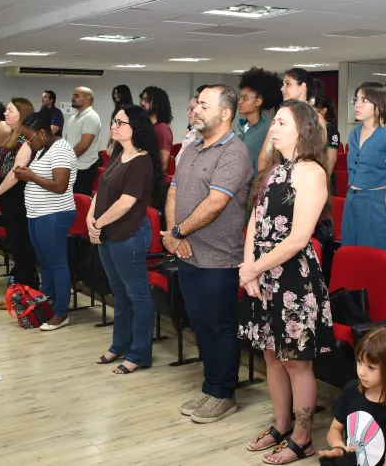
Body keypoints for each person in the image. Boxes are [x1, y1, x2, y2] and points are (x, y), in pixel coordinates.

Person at [239, 100, 334, 464]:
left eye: (281, 123)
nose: (273, 128)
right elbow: (254, 222)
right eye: (274, 122)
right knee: (271, 354)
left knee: (296, 361)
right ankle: (281, 425)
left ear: (302, 129)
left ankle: (302, 437)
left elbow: (298, 239)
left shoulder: (311, 172)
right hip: (263, 272)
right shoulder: (274, 169)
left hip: (294, 277)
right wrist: (249, 266)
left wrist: (253, 269)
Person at [164, 84, 252, 424]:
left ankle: (224, 394)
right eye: (197, 104)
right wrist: (172, 236)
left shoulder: (234, 152)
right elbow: (173, 193)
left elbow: (215, 204)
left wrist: (177, 233)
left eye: (204, 105)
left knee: (220, 327)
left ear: (226, 113)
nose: (196, 110)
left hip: (219, 259)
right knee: (200, 325)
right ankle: (210, 385)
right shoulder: (192, 147)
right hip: (187, 253)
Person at [90, 106, 162, 373]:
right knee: (119, 293)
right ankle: (119, 344)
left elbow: (126, 203)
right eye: (114, 121)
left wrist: (97, 224)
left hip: (128, 234)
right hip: (107, 232)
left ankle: (139, 353)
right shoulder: (118, 154)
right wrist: (90, 219)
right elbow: (100, 192)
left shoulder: (142, 161)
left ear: (136, 128)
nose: (114, 125)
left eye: (121, 122)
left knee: (137, 294)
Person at [15, 110, 78, 331]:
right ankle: (48, 304)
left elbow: (60, 186)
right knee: (46, 264)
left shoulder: (61, 149)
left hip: (54, 214)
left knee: (57, 264)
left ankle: (61, 312)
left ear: (41, 133)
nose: (27, 142)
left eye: (28, 137)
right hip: (38, 214)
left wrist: (31, 176)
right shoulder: (43, 149)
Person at [318, 327, 386, 466]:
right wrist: (339, 448)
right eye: (359, 361)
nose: (361, 372)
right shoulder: (351, 390)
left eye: (371, 367)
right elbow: (334, 430)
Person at [0, 98, 39, 292]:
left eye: (10, 110)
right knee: (15, 244)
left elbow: (15, 173)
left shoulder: (26, 140)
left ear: (22, 114)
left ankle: (26, 290)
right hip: (9, 197)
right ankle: (18, 290)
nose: (5, 113)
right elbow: (3, 169)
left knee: (21, 244)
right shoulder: (13, 136)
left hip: (18, 197)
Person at [342, 82, 386, 251]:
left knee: (373, 254)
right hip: (351, 199)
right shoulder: (354, 134)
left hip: (375, 202)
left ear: (379, 104)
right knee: (350, 253)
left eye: (364, 101)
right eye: (356, 100)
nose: (357, 105)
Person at [237, 67, 282, 178]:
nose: (240, 102)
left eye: (245, 98)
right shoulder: (241, 126)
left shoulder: (269, 127)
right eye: (240, 97)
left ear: (258, 101)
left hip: (258, 183)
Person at [63, 86, 102, 196]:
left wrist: (67, 159)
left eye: (76, 96)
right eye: (73, 95)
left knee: (81, 200)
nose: (73, 98)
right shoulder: (73, 117)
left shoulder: (91, 117)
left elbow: (84, 145)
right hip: (73, 165)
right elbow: (67, 140)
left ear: (87, 99)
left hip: (84, 167)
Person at [140, 86, 174, 184]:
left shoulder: (162, 129)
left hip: (155, 184)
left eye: (146, 100)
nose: (142, 103)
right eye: (142, 99)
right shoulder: (146, 127)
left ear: (157, 105)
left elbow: (163, 165)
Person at [175, 88, 204, 167]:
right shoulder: (191, 134)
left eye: (192, 109)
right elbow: (179, 162)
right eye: (189, 109)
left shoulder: (209, 137)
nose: (188, 113)